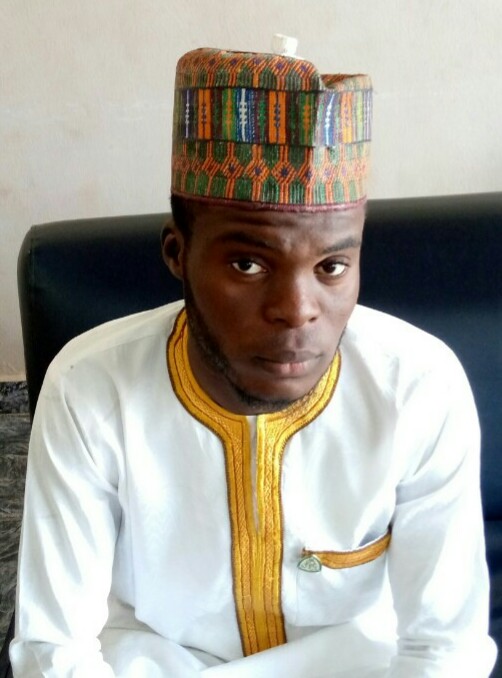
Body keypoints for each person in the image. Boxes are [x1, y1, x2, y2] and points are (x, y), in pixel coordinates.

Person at [10, 44, 497, 677]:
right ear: (177, 254)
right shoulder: (89, 386)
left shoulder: (418, 385)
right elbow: (56, 651)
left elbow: (444, 650)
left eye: (332, 267)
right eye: (248, 264)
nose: (297, 311)